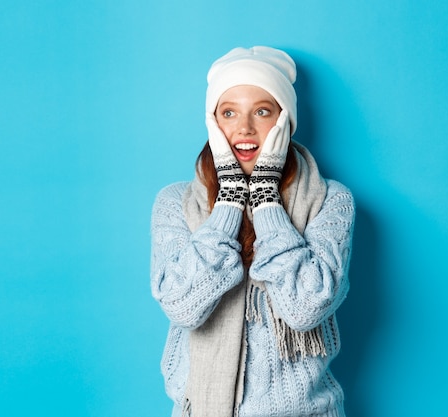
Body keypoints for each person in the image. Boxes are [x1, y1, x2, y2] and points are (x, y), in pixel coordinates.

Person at [151, 46, 355, 417]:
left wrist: (266, 200)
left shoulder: (330, 200)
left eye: (262, 111)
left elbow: (307, 308)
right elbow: (181, 306)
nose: (244, 128)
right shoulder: (175, 203)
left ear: (285, 121)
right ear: (212, 122)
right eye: (229, 113)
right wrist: (229, 202)